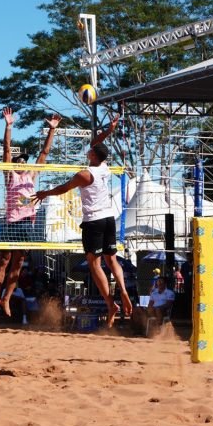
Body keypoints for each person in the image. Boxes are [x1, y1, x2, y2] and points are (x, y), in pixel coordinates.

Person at [33, 129, 133, 327]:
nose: (89, 150)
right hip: (109, 218)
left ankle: (110, 303)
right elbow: (97, 142)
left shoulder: (85, 175)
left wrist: (45, 193)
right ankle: (122, 289)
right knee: (112, 260)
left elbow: (63, 189)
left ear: (94, 155)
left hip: (94, 221)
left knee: (94, 264)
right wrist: (110, 130)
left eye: (91, 150)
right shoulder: (104, 167)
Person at [0, 107, 61, 317]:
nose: (21, 162)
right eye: (18, 160)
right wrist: (8, 126)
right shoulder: (10, 175)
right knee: (4, 261)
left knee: (19, 264)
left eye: (24, 160)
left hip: (26, 224)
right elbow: (6, 149)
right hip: (12, 223)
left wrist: (52, 130)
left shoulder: (31, 176)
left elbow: (44, 153)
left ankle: (6, 299)